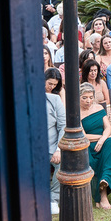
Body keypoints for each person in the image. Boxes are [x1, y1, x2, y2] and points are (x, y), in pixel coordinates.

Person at [78, 82, 111, 209]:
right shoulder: (76, 113)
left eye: (90, 97)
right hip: (88, 145)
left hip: (104, 142)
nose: (88, 101)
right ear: (78, 97)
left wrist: (103, 139)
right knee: (108, 141)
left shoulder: (99, 108)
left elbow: (108, 128)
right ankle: (102, 195)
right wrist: (102, 138)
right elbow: (83, 136)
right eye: (84, 97)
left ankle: (104, 180)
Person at [45, 71, 65, 213]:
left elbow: (63, 125)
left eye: (55, 85)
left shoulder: (55, 99)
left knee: (62, 161)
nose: (52, 87)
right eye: (49, 83)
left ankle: (53, 199)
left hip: (52, 146)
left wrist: (58, 149)